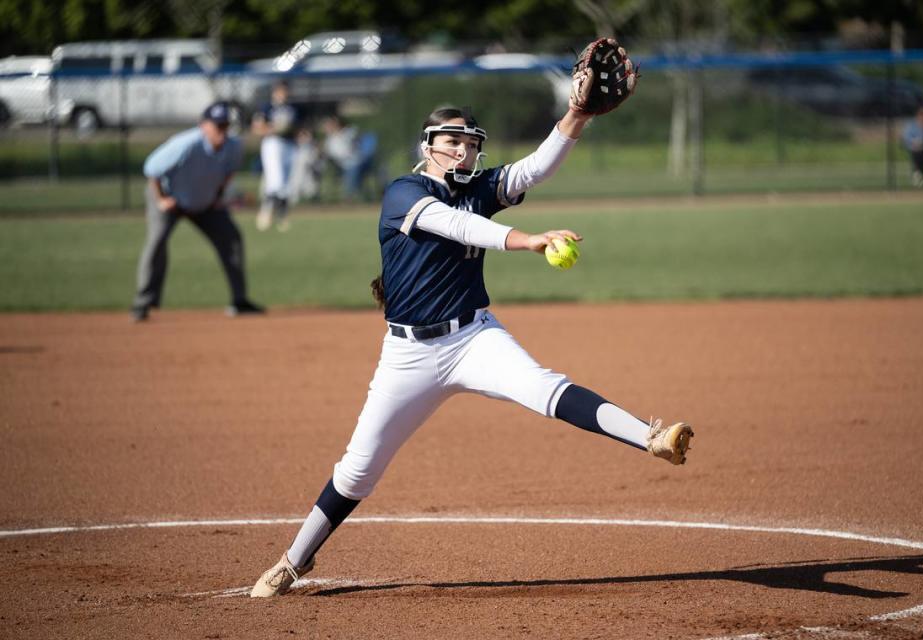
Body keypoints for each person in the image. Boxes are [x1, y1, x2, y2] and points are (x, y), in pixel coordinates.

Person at [251, 76, 694, 598]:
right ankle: (293, 560)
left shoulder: (478, 190)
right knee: (357, 471)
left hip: (474, 338)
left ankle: (650, 437)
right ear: (428, 147)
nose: (463, 148)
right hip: (408, 355)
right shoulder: (404, 192)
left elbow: (534, 167)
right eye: (452, 140)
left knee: (545, 388)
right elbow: (459, 227)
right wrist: (528, 240)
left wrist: (578, 114)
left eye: (471, 141)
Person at [130, 101, 264, 323]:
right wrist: (162, 199)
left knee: (231, 238)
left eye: (225, 125)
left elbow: (229, 172)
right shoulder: (186, 144)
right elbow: (151, 169)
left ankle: (240, 301)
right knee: (157, 241)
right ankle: (142, 303)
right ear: (204, 126)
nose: (222, 130)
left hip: (204, 203)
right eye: (217, 125)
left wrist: (218, 197)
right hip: (170, 198)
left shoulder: (233, 146)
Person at [253, 80, 303, 231]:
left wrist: (298, 133)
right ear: (275, 92)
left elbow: (298, 128)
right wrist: (275, 128)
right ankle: (268, 213)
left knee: (286, 184)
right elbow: (257, 128)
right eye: (280, 91)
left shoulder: (293, 108)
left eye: (285, 91)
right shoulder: (267, 107)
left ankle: (281, 216)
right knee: (276, 180)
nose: (283, 94)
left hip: (290, 144)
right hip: (272, 143)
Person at [319, 114, 381, 201]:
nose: (326, 128)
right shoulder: (329, 141)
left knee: (377, 168)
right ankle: (352, 196)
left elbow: (358, 136)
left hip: (358, 161)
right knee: (352, 168)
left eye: (329, 125)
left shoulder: (348, 132)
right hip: (342, 165)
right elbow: (328, 154)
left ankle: (382, 192)